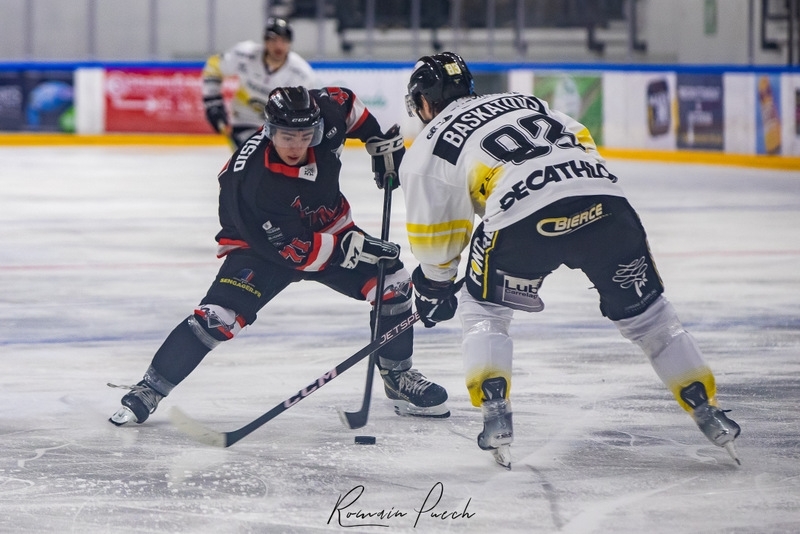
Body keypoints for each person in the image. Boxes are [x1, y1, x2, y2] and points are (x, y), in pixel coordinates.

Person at [399, 52, 741, 468]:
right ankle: (706, 408)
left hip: (523, 223)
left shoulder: (431, 142)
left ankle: (496, 414)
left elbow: (437, 237)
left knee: (484, 307)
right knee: (650, 317)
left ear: (423, 102)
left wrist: (435, 284)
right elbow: (581, 141)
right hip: (606, 205)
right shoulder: (525, 101)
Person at [110, 85, 449, 427]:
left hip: (327, 227)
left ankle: (398, 376)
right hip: (258, 247)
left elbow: (346, 103)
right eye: (287, 136)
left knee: (394, 282)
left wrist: (375, 139)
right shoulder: (255, 182)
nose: (296, 146)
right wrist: (354, 247)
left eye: (305, 135)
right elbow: (298, 252)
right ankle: (150, 389)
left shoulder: (327, 115)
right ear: (270, 131)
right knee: (218, 317)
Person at [201, 17, 317, 149]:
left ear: (290, 43)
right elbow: (213, 68)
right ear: (265, 40)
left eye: (284, 40)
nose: (278, 46)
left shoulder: (302, 74)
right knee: (254, 157)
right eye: (273, 40)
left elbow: (307, 110)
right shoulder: (243, 55)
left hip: (279, 128)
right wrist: (213, 102)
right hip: (243, 120)